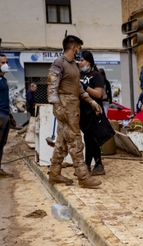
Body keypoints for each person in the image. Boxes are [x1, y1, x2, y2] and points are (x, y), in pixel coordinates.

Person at [47, 35, 103, 188]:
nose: (80, 50)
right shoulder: (59, 63)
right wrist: (57, 107)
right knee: (76, 141)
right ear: (74, 47)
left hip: (73, 106)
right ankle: (83, 176)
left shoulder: (73, 65)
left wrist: (91, 101)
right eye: (79, 47)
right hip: (65, 107)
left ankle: (54, 173)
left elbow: (78, 88)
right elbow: (52, 87)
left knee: (62, 143)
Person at [79, 51, 106, 176]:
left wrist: (85, 87)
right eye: (79, 61)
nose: (80, 63)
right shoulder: (78, 75)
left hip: (94, 112)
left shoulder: (96, 76)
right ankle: (98, 165)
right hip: (82, 112)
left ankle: (87, 166)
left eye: (82, 60)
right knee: (90, 139)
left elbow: (98, 94)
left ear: (89, 62)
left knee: (90, 139)